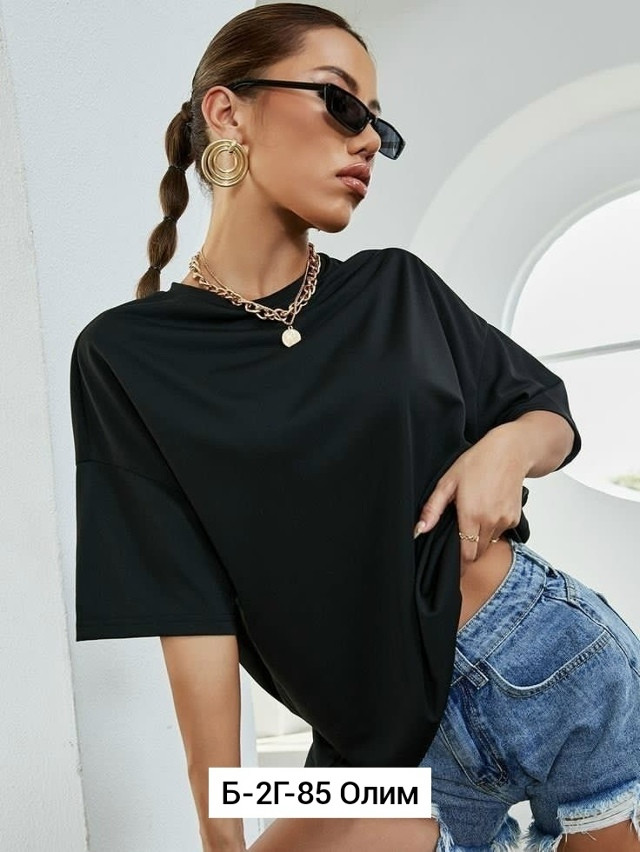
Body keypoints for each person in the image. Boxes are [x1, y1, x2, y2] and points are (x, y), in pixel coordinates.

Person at [69, 3, 640, 851]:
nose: (368, 139)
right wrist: (218, 830)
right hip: (376, 738)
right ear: (228, 112)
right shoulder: (126, 356)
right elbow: (189, 610)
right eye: (341, 104)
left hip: (549, 659)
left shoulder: (394, 289)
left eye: (378, 123)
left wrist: (506, 447)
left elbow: (547, 412)